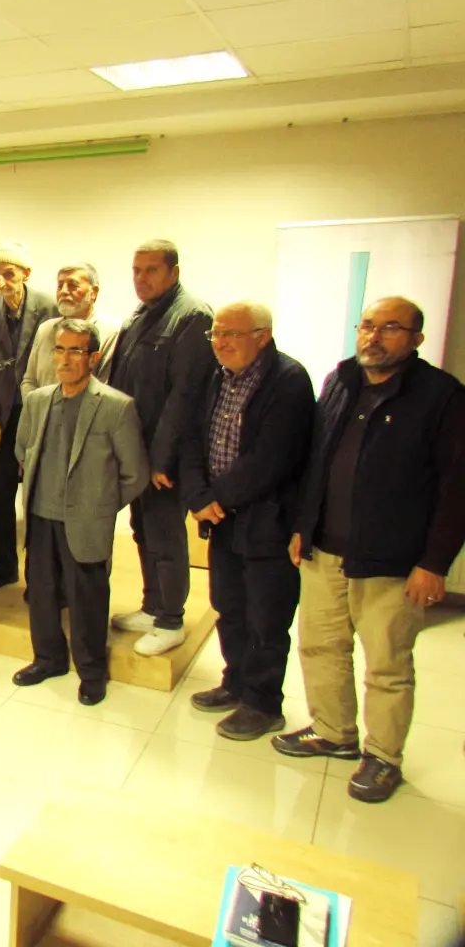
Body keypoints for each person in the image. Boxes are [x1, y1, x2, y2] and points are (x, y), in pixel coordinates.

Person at [274, 296, 465, 803]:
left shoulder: (442, 396)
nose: (374, 337)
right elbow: (317, 460)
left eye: (391, 328)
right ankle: (333, 731)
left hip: (392, 560)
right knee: (320, 646)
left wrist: (433, 563)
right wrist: (304, 526)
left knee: (386, 664)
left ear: (417, 339)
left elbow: (456, 489)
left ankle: (383, 757)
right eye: (367, 325)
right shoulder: (341, 380)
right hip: (325, 550)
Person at [176, 302, 314, 739]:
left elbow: (271, 459)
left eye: (230, 333)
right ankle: (235, 682)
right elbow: (192, 438)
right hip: (222, 519)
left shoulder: (288, 380)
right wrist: (197, 495)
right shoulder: (215, 376)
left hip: (267, 521)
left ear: (262, 335)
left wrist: (214, 498)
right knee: (229, 606)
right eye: (216, 334)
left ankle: (263, 703)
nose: (220, 342)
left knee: (266, 617)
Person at [13, 319, 149, 705]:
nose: (65, 358)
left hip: (87, 521)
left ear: (93, 357)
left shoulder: (116, 407)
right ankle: (48, 659)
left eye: (75, 350)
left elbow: (135, 474)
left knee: (87, 599)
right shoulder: (38, 401)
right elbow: (22, 449)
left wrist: (99, 506)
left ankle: (91, 671)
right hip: (40, 516)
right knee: (41, 593)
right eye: (59, 349)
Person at [106, 240, 214, 656]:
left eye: (151, 270)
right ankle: (152, 607)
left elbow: (183, 396)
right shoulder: (142, 314)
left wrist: (161, 459)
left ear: (174, 272)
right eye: (136, 270)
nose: (141, 278)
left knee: (166, 536)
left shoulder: (191, 316)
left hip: (164, 456)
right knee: (143, 530)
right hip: (136, 450)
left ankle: (171, 620)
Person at [0, 240, 57, 590]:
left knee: (41, 500)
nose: (1, 281)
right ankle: (4, 567)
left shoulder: (50, 308)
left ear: (25, 274)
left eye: (8, 274)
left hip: (42, 416)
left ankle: (42, 575)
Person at [21, 262, 119, 395]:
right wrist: (38, 406)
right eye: (60, 285)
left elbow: (104, 390)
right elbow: (29, 381)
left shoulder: (110, 332)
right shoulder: (45, 330)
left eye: (73, 285)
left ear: (94, 292)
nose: (64, 291)